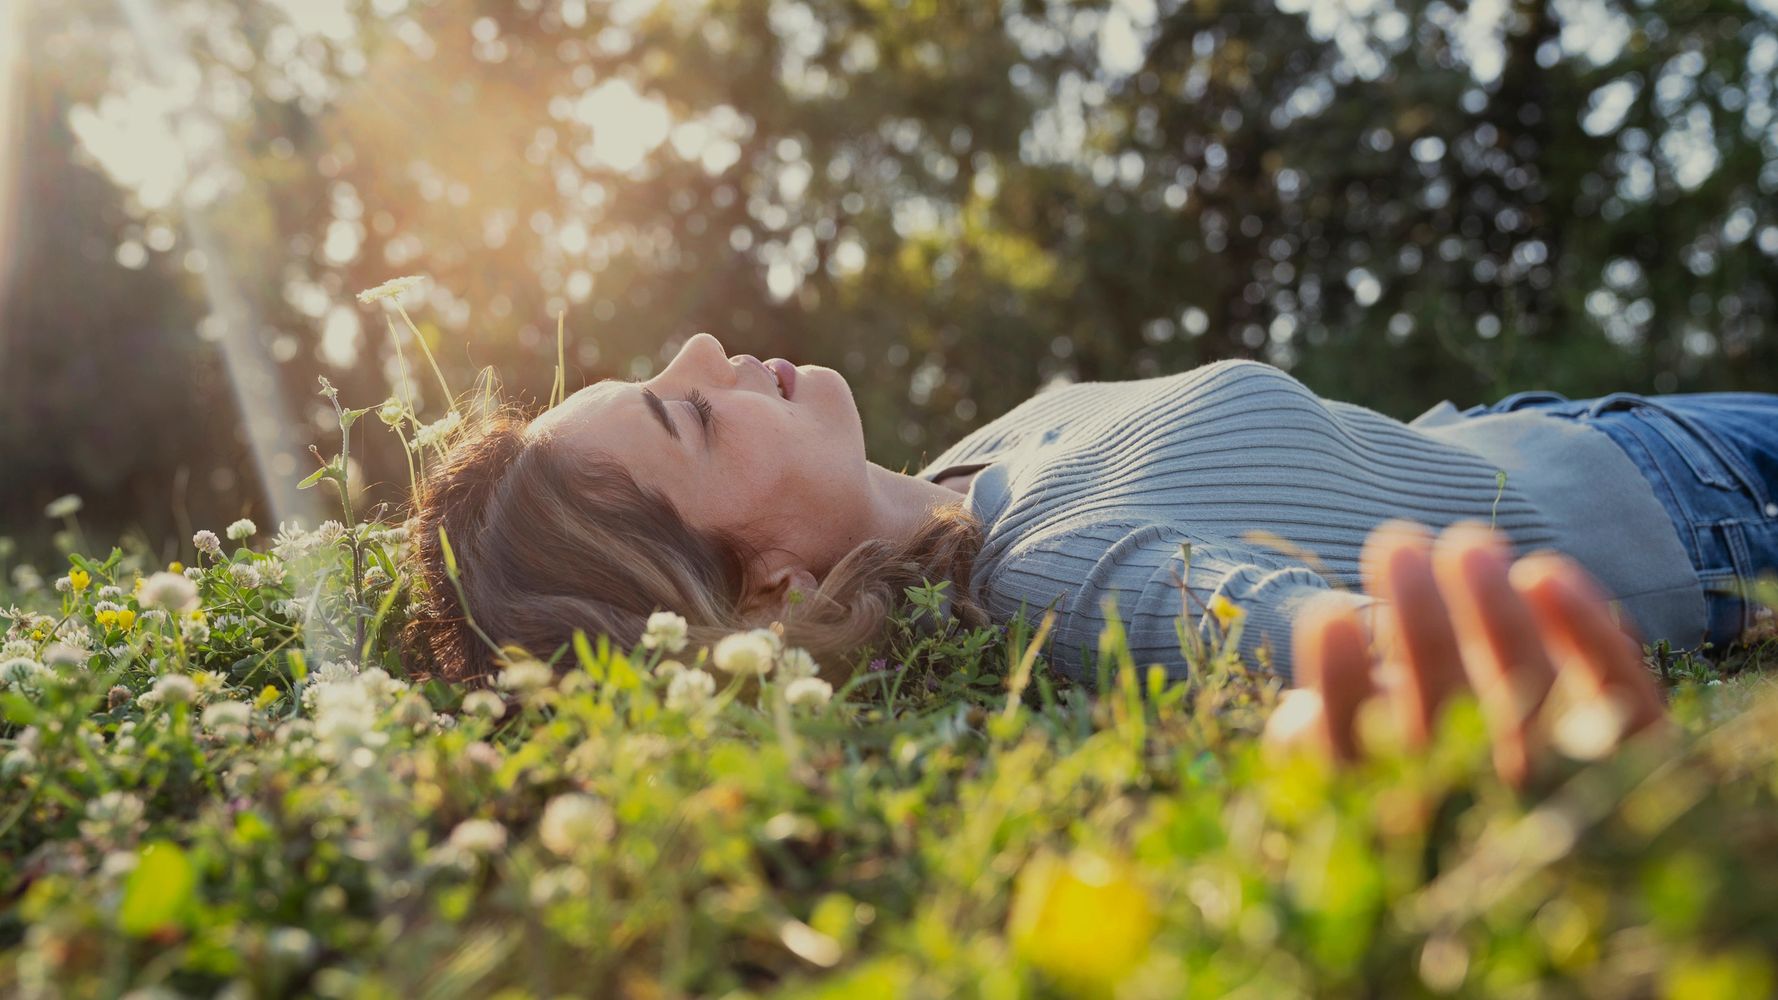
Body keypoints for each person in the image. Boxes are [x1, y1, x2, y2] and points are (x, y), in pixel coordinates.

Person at [405, 332, 1777, 776]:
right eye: (685, 412)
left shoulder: (962, 482)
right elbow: (1295, 633)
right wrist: (1386, 668)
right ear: (763, 586)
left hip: (1578, 429)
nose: (704, 350)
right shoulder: (1040, 570)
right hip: (1706, 501)